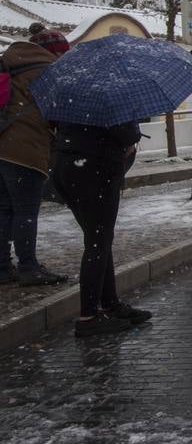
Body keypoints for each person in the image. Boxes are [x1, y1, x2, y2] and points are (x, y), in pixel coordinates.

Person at [49, 120, 148, 336]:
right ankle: (89, 316)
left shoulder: (73, 95)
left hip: (67, 164)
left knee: (99, 239)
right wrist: (133, 133)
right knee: (97, 242)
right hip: (95, 167)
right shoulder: (109, 95)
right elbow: (127, 133)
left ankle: (109, 303)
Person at [0, 29, 70, 286]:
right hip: (25, 150)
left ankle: (3, 267)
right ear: (55, 52)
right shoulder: (47, 72)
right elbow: (57, 115)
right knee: (25, 211)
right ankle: (29, 266)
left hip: (2, 146)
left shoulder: (11, 62)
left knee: (4, 210)